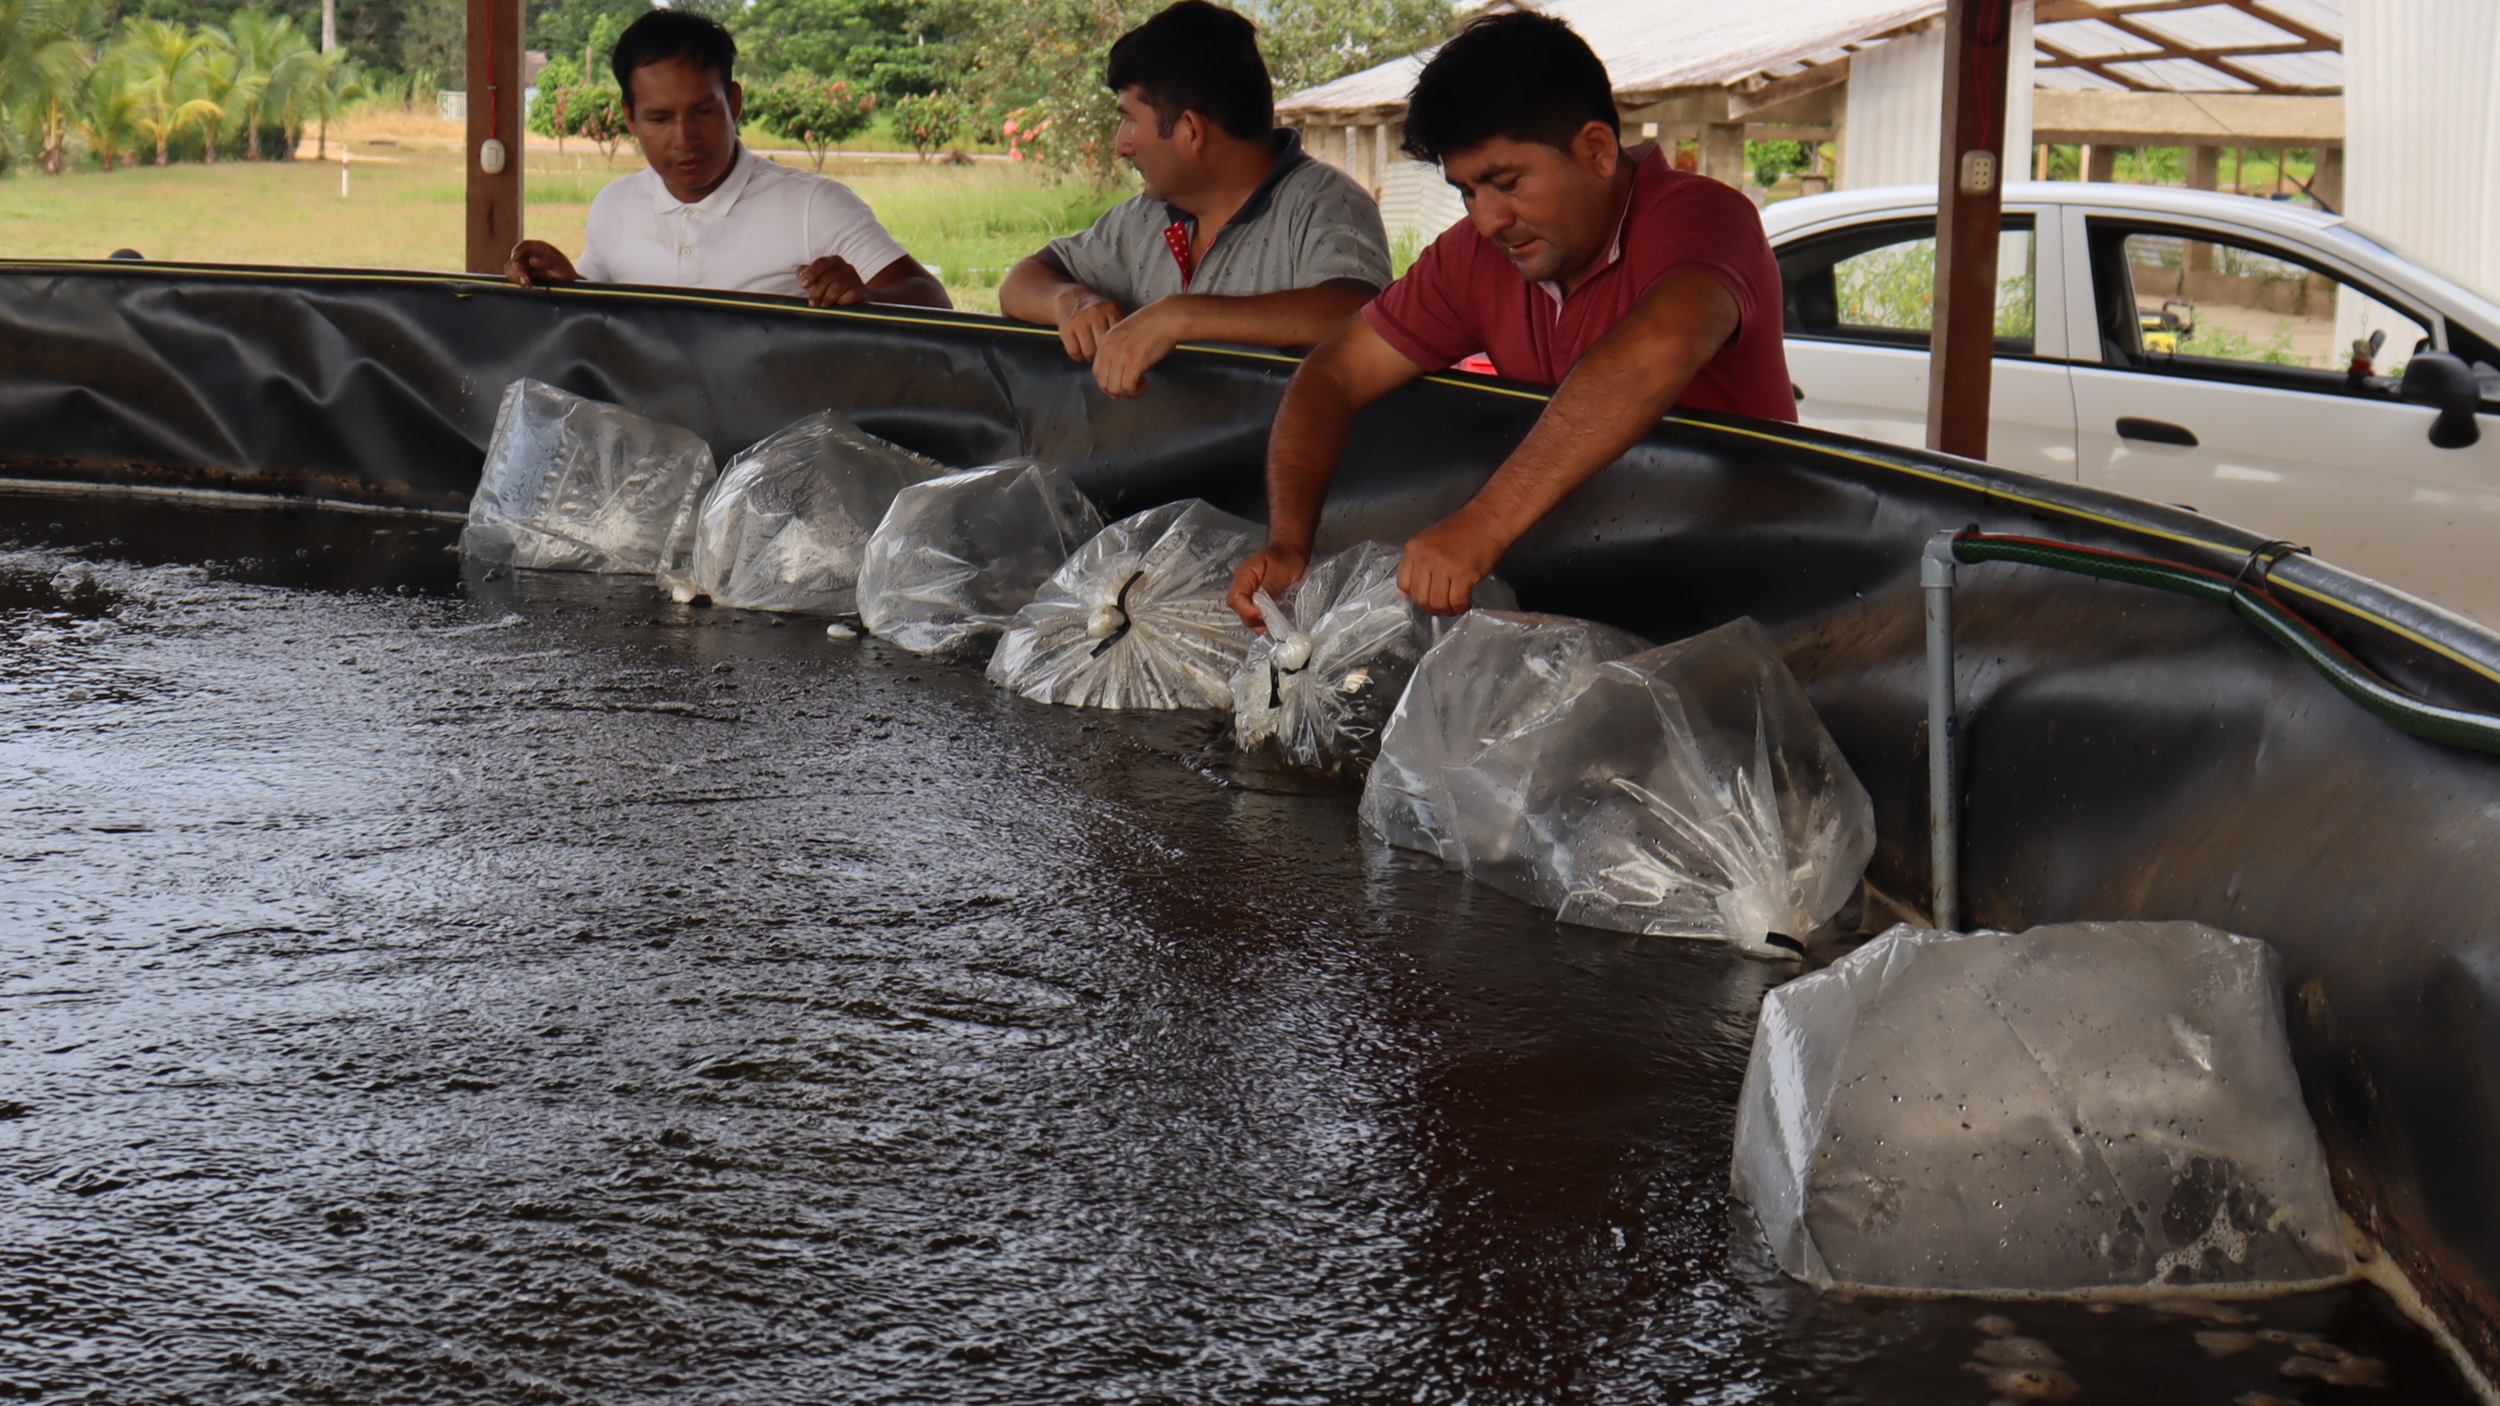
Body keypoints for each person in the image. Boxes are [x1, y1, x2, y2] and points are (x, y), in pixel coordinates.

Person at [1227, 11, 1795, 626]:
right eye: (1469, 191)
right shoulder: (1474, 255)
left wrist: (1483, 524)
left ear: (1597, 151)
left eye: (1506, 182)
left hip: (1751, 599)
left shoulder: (1704, 218)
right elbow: (1333, 374)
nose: (1489, 219)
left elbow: (1661, 343)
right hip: (1585, 600)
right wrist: (1288, 541)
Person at [997, 0, 1391, 398]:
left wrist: (1181, 316)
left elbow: (1360, 315)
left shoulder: (1325, 204)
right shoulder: (1144, 219)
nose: (1122, 145)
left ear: (1190, 131)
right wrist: (1070, 301)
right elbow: (1021, 282)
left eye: (1131, 119)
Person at [504, 10, 949, 310]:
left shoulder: (815, 206)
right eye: (659, 117)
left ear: (733, 104)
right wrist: (563, 287)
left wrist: (865, 296)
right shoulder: (614, 207)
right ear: (630, 119)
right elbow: (607, 324)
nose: (684, 138)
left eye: (703, 111)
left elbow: (933, 299)